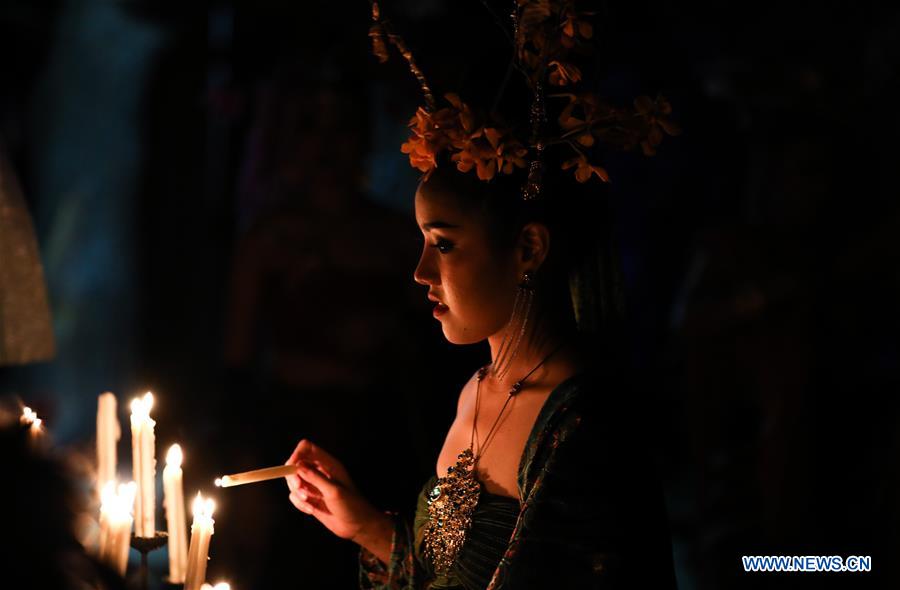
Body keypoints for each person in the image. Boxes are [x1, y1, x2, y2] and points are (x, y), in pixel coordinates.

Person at [283, 156, 679, 588]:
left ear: (528, 248)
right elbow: (449, 572)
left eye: (444, 245)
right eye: (423, 242)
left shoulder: (581, 425)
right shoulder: (475, 390)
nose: (420, 272)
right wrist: (362, 525)